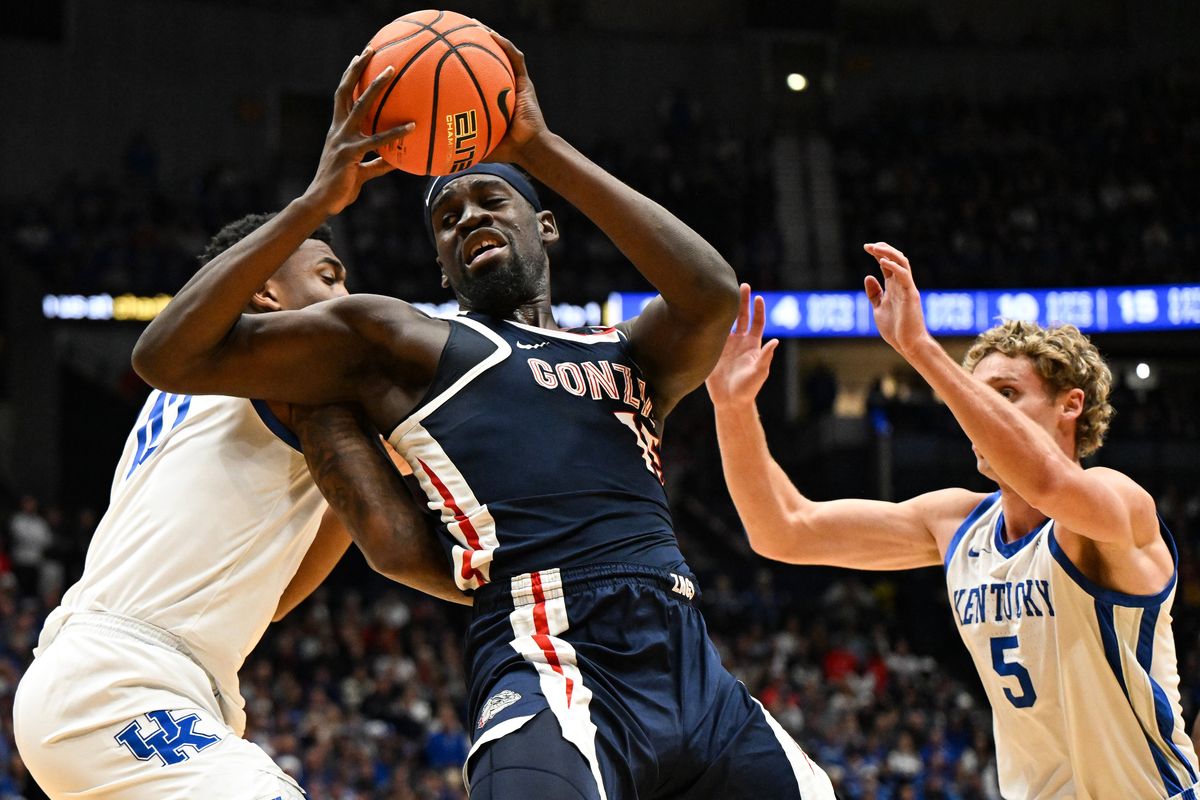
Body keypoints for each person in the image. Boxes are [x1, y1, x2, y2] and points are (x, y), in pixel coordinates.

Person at [131, 33, 835, 800]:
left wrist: (541, 148)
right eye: (447, 217)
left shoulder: (628, 352)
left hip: (692, 664)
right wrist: (313, 206)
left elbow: (710, 292)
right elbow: (167, 357)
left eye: (492, 200)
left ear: (546, 225)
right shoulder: (404, 340)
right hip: (549, 654)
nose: (468, 217)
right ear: (440, 264)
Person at [705, 244, 1199, 799]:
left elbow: (1049, 485)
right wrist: (733, 408)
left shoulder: (1117, 505)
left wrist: (918, 347)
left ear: (1070, 405)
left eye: (1008, 395)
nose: (980, 417)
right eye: (977, 399)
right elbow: (783, 529)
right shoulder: (957, 522)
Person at [13, 213, 460, 799]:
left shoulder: (192, 388)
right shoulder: (273, 371)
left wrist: (353, 489)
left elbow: (277, 601)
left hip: (142, 683)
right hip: (116, 683)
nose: (344, 297)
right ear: (265, 291)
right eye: (328, 278)